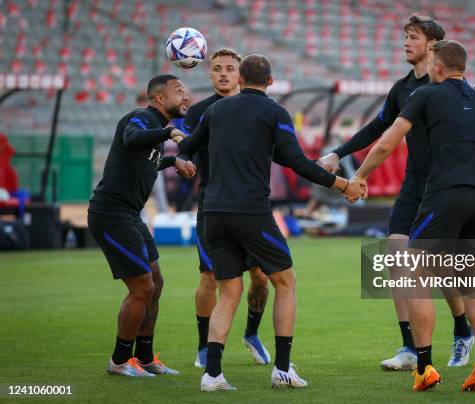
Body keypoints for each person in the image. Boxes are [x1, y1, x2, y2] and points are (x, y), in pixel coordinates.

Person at [346, 40, 475, 392]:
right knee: (470, 281)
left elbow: (387, 142)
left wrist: (360, 175)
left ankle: (423, 366)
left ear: (436, 67)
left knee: (416, 274)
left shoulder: (425, 95)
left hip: (447, 194)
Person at [177, 54, 364, 391]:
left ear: (240, 78)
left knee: (229, 290)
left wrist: (178, 159)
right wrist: (342, 184)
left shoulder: (215, 111)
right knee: (285, 282)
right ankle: (282, 369)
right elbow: (295, 161)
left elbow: (186, 148)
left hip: (213, 214)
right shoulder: (275, 112)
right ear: (271, 82)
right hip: (250, 212)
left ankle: (213, 374)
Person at [318, 14, 474, 370]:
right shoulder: (403, 88)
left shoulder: (451, 88)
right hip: (414, 184)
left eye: (413, 37)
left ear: (433, 46)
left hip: (445, 187)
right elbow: (378, 127)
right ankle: (409, 347)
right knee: (396, 257)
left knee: (441, 268)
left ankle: (462, 331)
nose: (406, 43)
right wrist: (337, 153)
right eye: (405, 36)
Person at [88, 74, 195, 377]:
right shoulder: (141, 118)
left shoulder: (154, 128)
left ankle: (146, 358)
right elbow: (131, 139)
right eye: (178, 91)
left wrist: (172, 162)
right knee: (142, 287)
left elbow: (147, 159)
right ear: (159, 98)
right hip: (111, 213)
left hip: (130, 215)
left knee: (156, 282)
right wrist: (170, 133)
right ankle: (120, 361)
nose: (185, 97)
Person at [182, 48, 273, 369]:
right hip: (213, 206)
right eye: (217, 68)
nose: (223, 73)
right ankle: (205, 346)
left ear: (241, 75)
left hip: (252, 206)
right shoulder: (199, 113)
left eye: (229, 68)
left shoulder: (259, 109)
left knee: (261, 277)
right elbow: (187, 149)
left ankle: (251, 333)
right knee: (210, 276)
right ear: (209, 73)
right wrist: (184, 162)